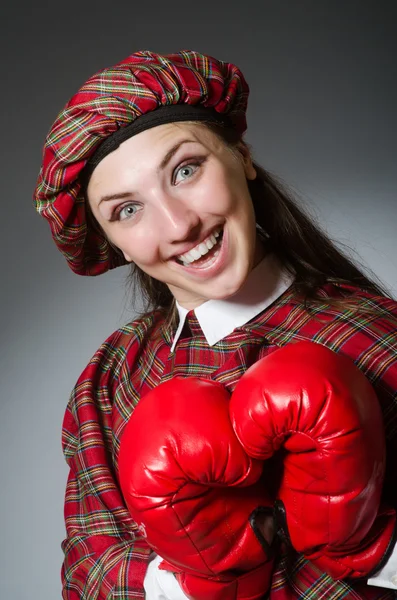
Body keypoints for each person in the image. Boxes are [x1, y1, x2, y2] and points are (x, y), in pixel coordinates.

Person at [33, 50, 397, 599]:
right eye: (127, 210)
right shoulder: (109, 382)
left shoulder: (376, 336)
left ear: (242, 157)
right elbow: (87, 567)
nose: (179, 225)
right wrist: (192, 581)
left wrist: (367, 546)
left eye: (185, 170)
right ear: (114, 243)